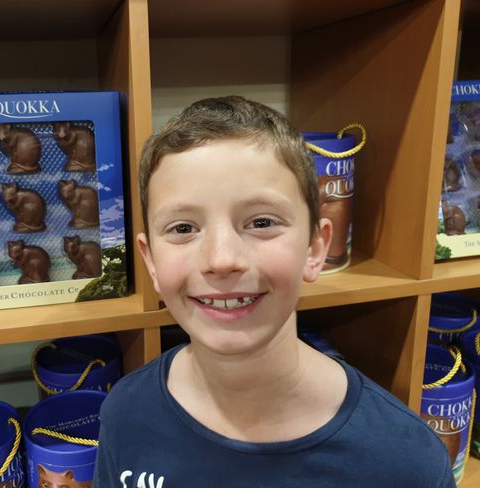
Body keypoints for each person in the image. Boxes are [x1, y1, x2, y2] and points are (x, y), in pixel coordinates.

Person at [93, 96, 455, 487]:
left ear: (315, 249)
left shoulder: (405, 462)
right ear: (151, 262)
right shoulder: (126, 413)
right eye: (183, 228)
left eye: (261, 221)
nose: (222, 259)